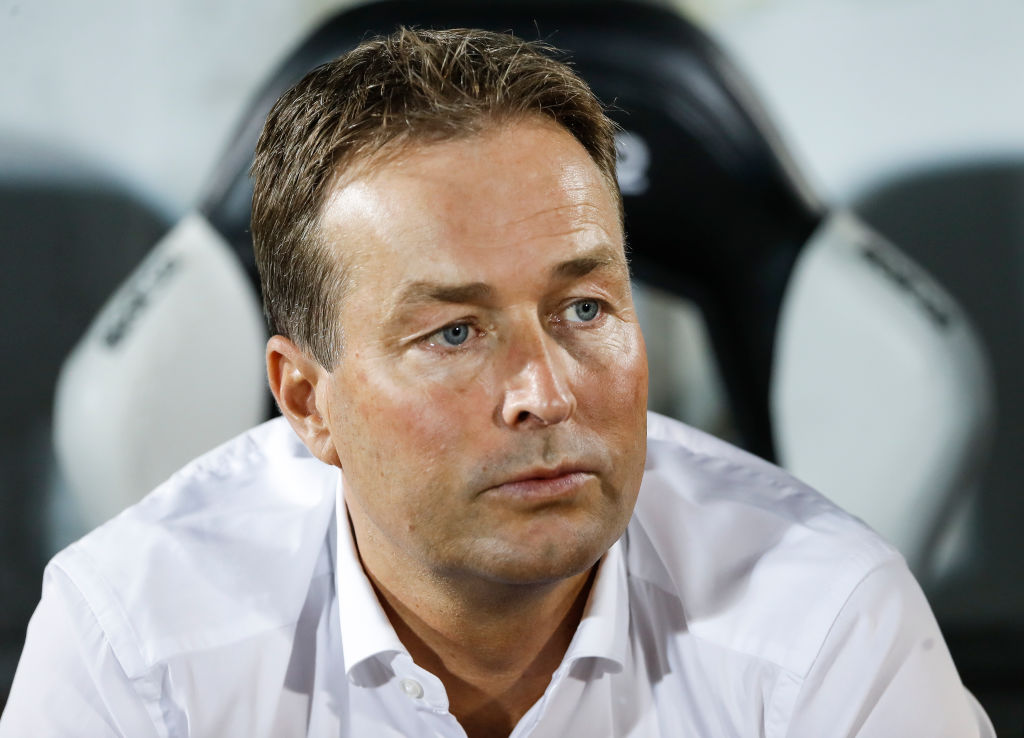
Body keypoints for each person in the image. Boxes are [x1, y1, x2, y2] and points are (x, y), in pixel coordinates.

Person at [1, 27, 992, 737]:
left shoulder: (826, 618)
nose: (544, 394)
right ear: (307, 401)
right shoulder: (131, 644)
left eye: (585, 310)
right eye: (454, 333)